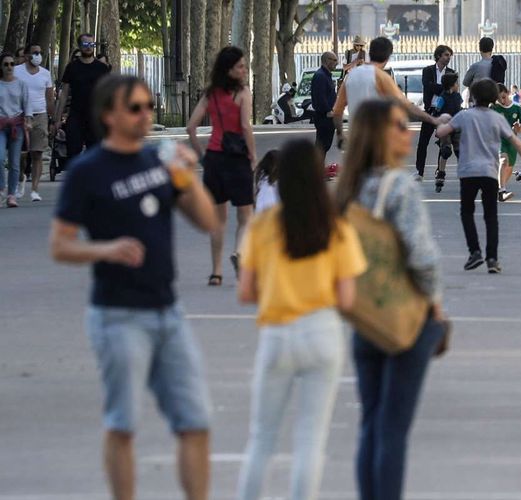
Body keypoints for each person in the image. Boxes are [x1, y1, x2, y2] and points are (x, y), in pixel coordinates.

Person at [50, 74, 218, 500]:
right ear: (109, 115)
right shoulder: (87, 172)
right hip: (117, 315)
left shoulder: (157, 162)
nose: (147, 115)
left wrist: (187, 177)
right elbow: (60, 245)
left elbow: (208, 223)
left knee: (195, 422)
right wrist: (106, 250)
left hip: (168, 312)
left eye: (149, 106)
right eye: (136, 108)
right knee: (123, 425)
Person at [235, 139, 366, 500]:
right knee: (311, 439)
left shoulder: (263, 227)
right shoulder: (336, 227)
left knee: (262, 437)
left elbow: (246, 291)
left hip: (278, 333)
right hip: (323, 332)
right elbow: (347, 297)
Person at [332, 98, 450, 500]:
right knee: (394, 429)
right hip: (404, 314)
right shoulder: (398, 184)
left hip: (366, 314)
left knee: (372, 423)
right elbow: (420, 254)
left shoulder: (349, 188)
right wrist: (435, 303)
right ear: (381, 135)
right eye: (400, 125)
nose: (408, 131)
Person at [436, 79, 521, 273]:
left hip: (468, 172)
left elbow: (441, 133)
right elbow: (516, 141)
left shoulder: (464, 115)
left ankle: (474, 252)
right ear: (494, 98)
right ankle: (492, 259)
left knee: (467, 212)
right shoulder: (497, 118)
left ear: (472, 96)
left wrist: (442, 121)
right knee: (491, 216)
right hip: (489, 172)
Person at [186, 46, 258, 287]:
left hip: (214, 160)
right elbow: (245, 127)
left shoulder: (210, 95)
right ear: (230, 70)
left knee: (218, 220)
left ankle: (216, 272)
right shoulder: (244, 93)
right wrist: (253, 155)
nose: (245, 69)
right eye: (240, 66)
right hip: (238, 160)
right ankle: (239, 252)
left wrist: (201, 155)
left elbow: (191, 127)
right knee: (245, 215)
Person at [332, 37, 441, 158]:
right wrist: (433, 120)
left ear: (371, 52)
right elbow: (406, 106)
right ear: (388, 56)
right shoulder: (381, 77)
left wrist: (340, 134)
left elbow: (337, 111)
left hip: (356, 138)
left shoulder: (350, 77)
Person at [54, 34, 111, 163]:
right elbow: (64, 94)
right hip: (76, 115)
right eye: (86, 44)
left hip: (95, 116)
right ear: (80, 46)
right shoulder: (72, 67)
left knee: (95, 153)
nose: (89, 47)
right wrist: (57, 119)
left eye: (91, 44)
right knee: (73, 150)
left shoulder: (101, 68)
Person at [13, 43, 54, 202]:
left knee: (37, 153)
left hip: (40, 116)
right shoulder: (17, 71)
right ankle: (21, 177)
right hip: (20, 116)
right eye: (35, 52)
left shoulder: (45, 74)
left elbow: (49, 98)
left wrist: (52, 120)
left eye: (40, 52)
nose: (38, 55)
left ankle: (35, 189)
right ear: (27, 55)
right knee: (21, 154)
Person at [415, 45, 455, 179]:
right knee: (423, 143)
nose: (448, 58)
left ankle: (440, 170)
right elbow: (428, 85)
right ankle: (419, 171)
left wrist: (438, 88)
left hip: (443, 112)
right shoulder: (428, 71)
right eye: (446, 55)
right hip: (429, 111)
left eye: (449, 55)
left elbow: (452, 91)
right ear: (438, 56)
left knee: (443, 143)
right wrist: (444, 88)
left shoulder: (451, 73)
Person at [0, 52, 30, 208]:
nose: (9, 67)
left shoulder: (21, 84)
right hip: (0, 125)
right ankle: (1, 188)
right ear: (1, 66)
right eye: (6, 64)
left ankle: (12, 195)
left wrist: (28, 119)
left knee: (14, 162)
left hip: (16, 127)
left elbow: (27, 104)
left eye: (12, 64)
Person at [492, 83, 521, 201]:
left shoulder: (517, 107)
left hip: (512, 141)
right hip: (498, 140)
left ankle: (499, 190)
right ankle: (502, 190)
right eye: (498, 98)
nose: (501, 101)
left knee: (509, 167)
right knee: (504, 161)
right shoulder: (493, 107)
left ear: (507, 93)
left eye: (503, 97)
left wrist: (518, 129)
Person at [431, 73, 464, 189]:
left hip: (457, 126)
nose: (458, 85)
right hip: (445, 126)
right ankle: (441, 173)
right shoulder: (442, 97)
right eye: (456, 83)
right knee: (445, 151)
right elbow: (436, 111)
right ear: (451, 85)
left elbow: (459, 109)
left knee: (460, 151)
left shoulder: (458, 96)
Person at [311, 52, 339, 156]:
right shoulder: (320, 76)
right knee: (321, 147)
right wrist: (328, 110)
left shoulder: (325, 75)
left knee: (324, 146)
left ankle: (317, 168)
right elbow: (320, 97)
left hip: (328, 117)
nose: (337, 63)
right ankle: (315, 169)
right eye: (335, 60)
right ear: (327, 60)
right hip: (324, 117)